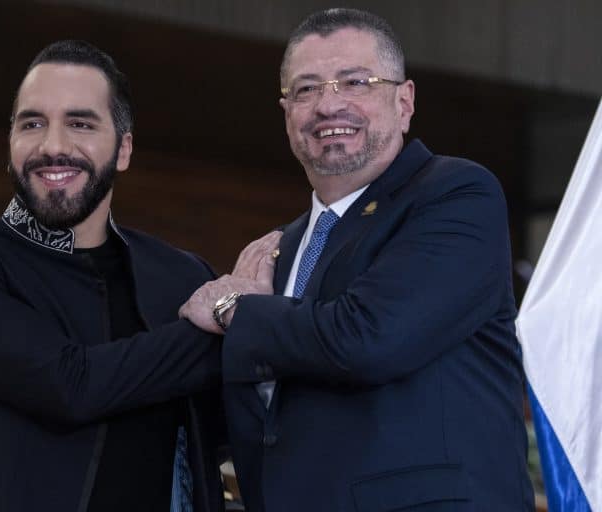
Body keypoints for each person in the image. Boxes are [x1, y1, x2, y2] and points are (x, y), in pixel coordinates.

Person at [180, 8, 535, 511]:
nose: (329, 105)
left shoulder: (455, 195)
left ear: (404, 101)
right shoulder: (277, 252)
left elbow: (368, 336)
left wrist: (232, 308)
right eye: (306, 89)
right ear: (286, 114)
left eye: (355, 82)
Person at [0, 40, 267, 512]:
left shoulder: (181, 274)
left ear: (123, 149)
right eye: (32, 123)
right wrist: (226, 321)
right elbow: (69, 385)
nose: (53, 146)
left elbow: (223, 429)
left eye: (80, 124)